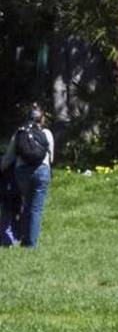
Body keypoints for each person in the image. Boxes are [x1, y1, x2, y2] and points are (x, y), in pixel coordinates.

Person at [0, 102, 55, 248]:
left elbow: (9, 157)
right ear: (42, 119)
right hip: (42, 170)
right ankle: (30, 244)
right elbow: (51, 157)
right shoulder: (47, 133)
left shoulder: (20, 133)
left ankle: (22, 237)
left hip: (22, 172)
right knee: (35, 208)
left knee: (27, 204)